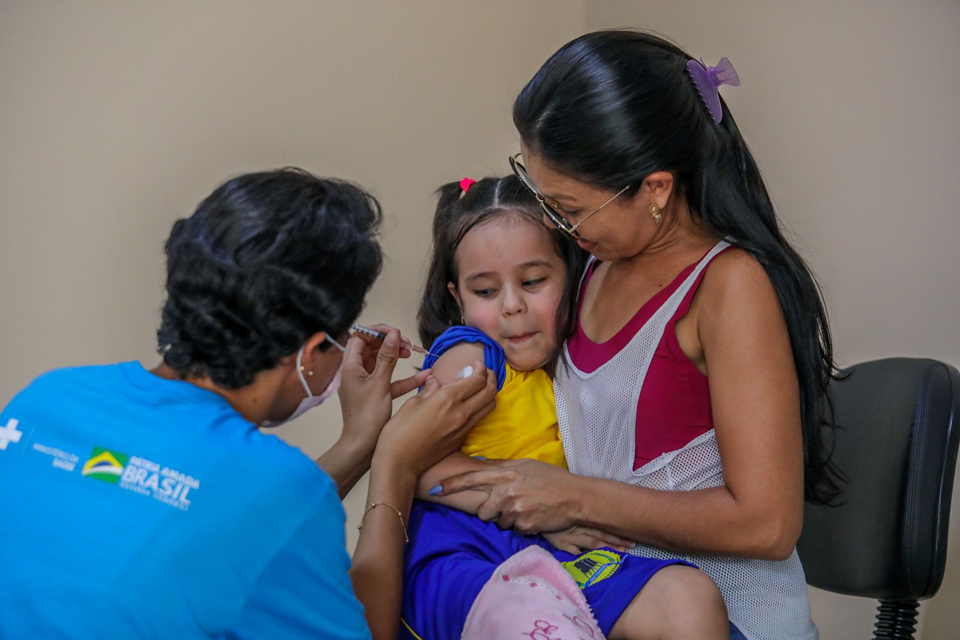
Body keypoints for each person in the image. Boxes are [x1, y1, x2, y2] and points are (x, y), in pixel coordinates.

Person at [435, 31, 842, 640]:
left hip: (731, 617)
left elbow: (767, 525)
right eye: (547, 201)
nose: (560, 226)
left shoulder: (730, 287)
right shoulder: (596, 264)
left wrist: (575, 498)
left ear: (654, 189)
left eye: (571, 208)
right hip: (618, 603)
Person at [0, 168, 496, 640]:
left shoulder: (48, 397)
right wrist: (395, 463)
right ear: (309, 353)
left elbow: (219, 523)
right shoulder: (277, 490)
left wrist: (359, 443)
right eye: (347, 333)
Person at [400, 175, 730, 640]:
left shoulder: (574, 363)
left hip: (548, 544)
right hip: (467, 548)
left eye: (533, 281)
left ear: (573, 271)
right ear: (457, 297)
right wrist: (525, 505)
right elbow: (414, 462)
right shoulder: (471, 354)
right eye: (486, 291)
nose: (512, 306)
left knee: (688, 598)